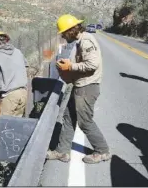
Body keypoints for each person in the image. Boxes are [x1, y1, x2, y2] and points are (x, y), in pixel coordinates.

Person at [46, 14, 111, 164]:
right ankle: (62, 152)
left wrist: (70, 66)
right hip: (80, 86)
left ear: (70, 30)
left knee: (85, 121)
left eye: (63, 33)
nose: (62, 36)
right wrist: (69, 64)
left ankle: (102, 151)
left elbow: (92, 64)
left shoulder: (86, 40)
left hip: (87, 88)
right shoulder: (79, 41)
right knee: (69, 118)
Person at [0, 31, 29, 117]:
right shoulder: (18, 52)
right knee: (17, 124)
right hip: (23, 93)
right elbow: (26, 66)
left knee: (4, 126)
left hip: (10, 96)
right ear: (7, 40)